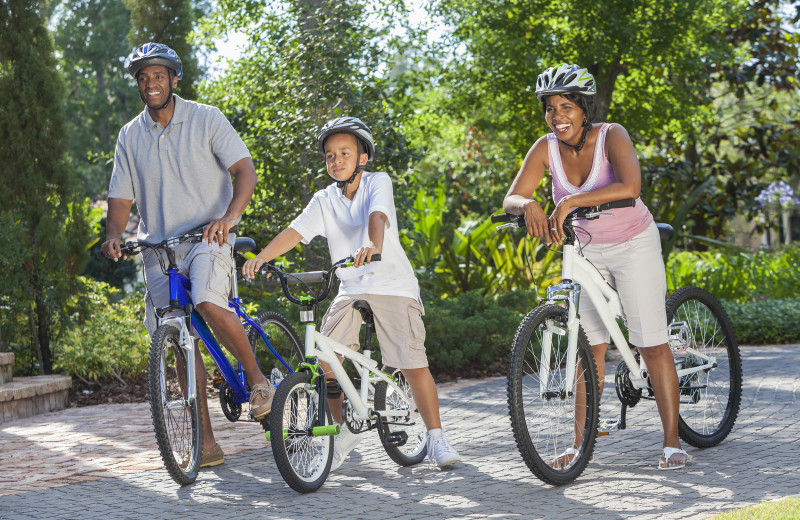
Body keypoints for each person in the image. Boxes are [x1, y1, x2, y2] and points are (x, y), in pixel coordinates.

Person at [242, 116, 461, 470]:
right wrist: (263, 257)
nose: (336, 160)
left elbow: (377, 217)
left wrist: (373, 246)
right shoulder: (324, 198)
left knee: (412, 360)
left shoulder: (378, 182)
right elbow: (296, 231)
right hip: (352, 287)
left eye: (345, 152)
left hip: (392, 285)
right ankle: (337, 434)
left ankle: (436, 438)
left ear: (363, 156)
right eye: (330, 155)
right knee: (326, 358)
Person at [502, 64, 689, 470]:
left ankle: (673, 442)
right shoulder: (544, 147)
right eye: (550, 108)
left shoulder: (612, 135)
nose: (557, 116)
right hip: (585, 251)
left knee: (650, 342)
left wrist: (569, 201)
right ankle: (578, 444)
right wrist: (529, 204)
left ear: (584, 109)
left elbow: (630, 187)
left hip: (632, 244)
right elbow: (511, 198)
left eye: (566, 106)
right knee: (589, 349)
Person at [101, 42, 273, 469]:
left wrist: (230, 218)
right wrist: (114, 235)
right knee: (179, 340)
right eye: (143, 77)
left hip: (208, 236)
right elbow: (120, 197)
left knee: (210, 302)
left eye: (158, 75)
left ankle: (257, 380)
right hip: (158, 246)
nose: (151, 83)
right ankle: (206, 443)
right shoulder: (130, 135)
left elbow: (244, 170)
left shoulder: (206, 118)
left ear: (174, 79)